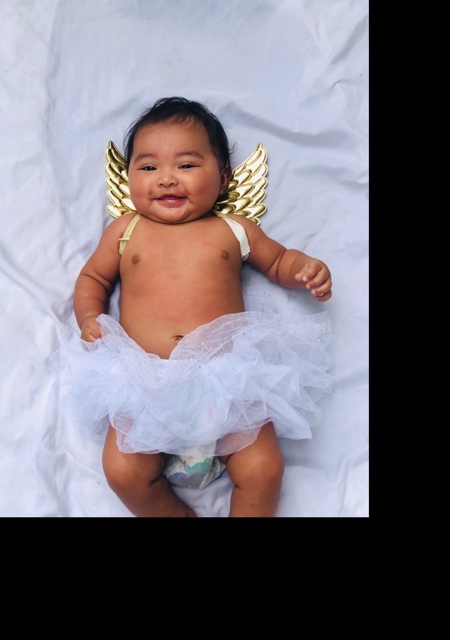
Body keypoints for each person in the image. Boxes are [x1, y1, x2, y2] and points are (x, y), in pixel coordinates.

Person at [58, 96, 332, 518]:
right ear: (127, 178)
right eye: (149, 168)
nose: (167, 179)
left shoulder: (233, 229)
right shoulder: (126, 230)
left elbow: (278, 261)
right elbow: (93, 278)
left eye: (186, 165)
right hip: (145, 382)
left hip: (226, 380)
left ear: (223, 179)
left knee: (263, 469)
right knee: (122, 470)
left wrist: (304, 269)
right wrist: (90, 316)